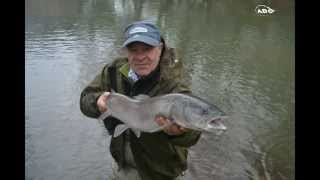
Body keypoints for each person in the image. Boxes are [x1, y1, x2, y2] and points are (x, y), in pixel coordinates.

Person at [80, 20, 201, 180]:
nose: (140, 57)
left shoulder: (175, 83)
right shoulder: (113, 71)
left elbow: (193, 135)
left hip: (160, 174)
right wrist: (97, 103)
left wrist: (178, 134)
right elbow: (85, 100)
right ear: (126, 51)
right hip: (122, 167)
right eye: (133, 50)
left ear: (160, 48)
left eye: (147, 49)